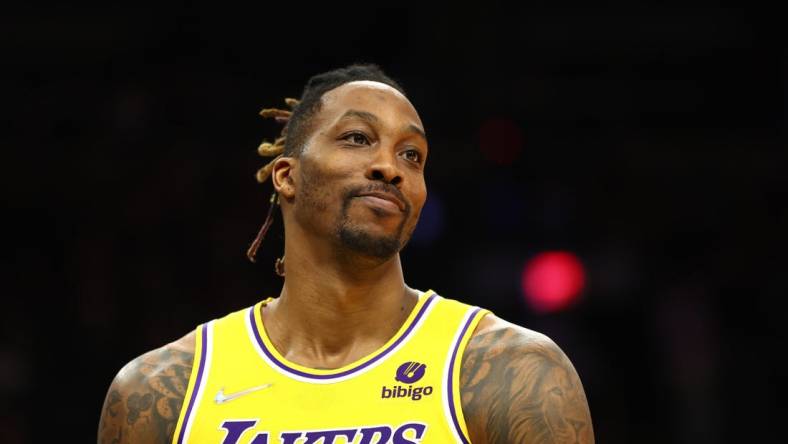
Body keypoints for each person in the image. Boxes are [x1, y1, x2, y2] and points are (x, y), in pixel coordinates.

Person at [98, 64, 594, 444]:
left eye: (411, 155)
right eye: (358, 139)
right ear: (287, 175)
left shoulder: (511, 371)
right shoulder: (162, 393)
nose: (389, 167)